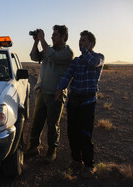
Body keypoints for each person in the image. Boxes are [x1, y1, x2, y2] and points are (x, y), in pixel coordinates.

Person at [55, 30, 104, 175]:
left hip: (88, 102)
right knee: (72, 132)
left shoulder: (98, 57)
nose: (80, 43)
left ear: (91, 44)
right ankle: (76, 160)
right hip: (74, 101)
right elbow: (67, 75)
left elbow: (93, 62)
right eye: (79, 41)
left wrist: (85, 51)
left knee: (85, 134)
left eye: (83, 41)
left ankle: (89, 165)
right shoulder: (76, 61)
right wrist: (59, 89)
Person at [28, 25, 74, 162]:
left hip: (56, 94)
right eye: (52, 34)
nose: (52, 37)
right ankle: (33, 147)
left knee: (53, 124)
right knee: (37, 121)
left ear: (63, 37)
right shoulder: (49, 49)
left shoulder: (67, 52)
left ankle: (51, 150)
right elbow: (34, 56)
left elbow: (53, 57)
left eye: (55, 35)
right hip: (42, 91)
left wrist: (42, 39)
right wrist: (36, 41)